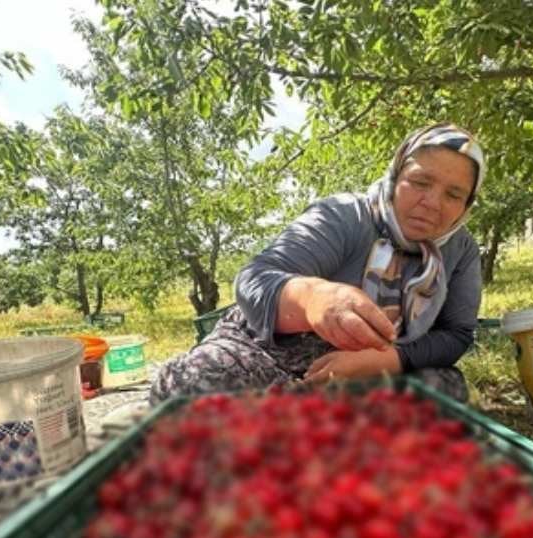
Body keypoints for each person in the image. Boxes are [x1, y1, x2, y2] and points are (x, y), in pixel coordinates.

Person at [151, 122, 484, 402]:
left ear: (467, 203)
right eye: (420, 182)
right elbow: (255, 279)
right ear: (396, 176)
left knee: (445, 388)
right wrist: (312, 298)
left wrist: (386, 359)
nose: (432, 203)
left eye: (453, 195)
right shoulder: (344, 216)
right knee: (199, 381)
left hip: (367, 363)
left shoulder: (460, 249)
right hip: (271, 351)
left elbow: (455, 334)